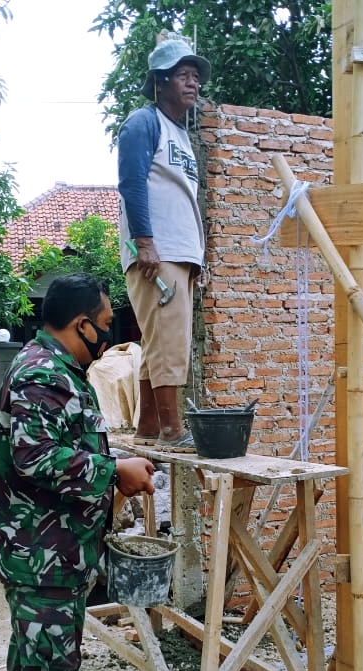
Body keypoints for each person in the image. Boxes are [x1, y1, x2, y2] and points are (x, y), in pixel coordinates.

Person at [0, 273, 156, 671]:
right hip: (41, 552)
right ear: (81, 325)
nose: (107, 335)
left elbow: (57, 444)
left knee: (40, 655)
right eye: (104, 326)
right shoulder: (42, 375)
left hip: (53, 547)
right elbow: (36, 457)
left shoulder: (57, 370)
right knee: (48, 660)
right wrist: (113, 471)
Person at [117, 34, 212, 452]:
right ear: (160, 81)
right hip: (158, 253)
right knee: (170, 341)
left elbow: (181, 198)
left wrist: (196, 256)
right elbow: (132, 184)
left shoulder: (180, 133)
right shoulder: (144, 123)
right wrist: (145, 244)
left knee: (160, 340)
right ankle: (174, 430)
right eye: (183, 76)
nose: (193, 83)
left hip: (178, 253)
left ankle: (149, 427)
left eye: (195, 76)